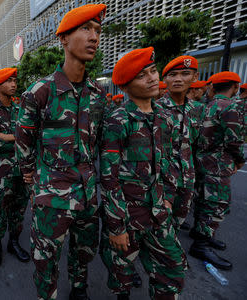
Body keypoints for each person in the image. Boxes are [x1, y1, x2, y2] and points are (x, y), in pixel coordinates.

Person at [16, 4, 107, 299]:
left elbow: (99, 142)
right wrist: (32, 179)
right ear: (63, 39)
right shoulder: (39, 92)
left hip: (87, 194)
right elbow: (24, 143)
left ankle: (79, 290)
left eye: (97, 30)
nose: (94, 37)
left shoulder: (97, 94)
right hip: (51, 198)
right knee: (46, 261)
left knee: (84, 254)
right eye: (85, 29)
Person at [100, 47, 186, 300]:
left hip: (159, 212)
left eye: (152, 71)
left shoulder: (164, 117)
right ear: (126, 86)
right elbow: (109, 176)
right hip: (128, 217)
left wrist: (169, 197)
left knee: (172, 273)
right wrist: (116, 227)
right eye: (141, 75)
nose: (151, 79)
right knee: (122, 276)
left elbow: (169, 161)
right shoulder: (118, 120)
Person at [190, 71, 245, 270]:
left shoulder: (207, 105)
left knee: (204, 200)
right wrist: (239, 160)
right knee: (214, 205)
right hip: (219, 164)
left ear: (213, 87)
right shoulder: (231, 107)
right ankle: (201, 244)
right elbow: (234, 140)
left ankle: (201, 234)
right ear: (235, 87)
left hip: (202, 161)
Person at [0, 68, 30, 269]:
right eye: (9, 81)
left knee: (19, 211)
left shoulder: (20, 107)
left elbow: (31, 136)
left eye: (15, 81)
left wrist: (7, 136)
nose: (13, 84)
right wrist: (18, 137)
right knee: (0, 210)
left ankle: (13, 243)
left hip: (23, 171)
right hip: (2, 173)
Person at [157, 56, 205, 230]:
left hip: (187, 178)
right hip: (161, 179)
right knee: (158, 227)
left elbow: (198, 144)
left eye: (185, 74)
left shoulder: (199, 110)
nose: (178, 79)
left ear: (195, 77)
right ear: (165, 80)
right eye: (172, 75)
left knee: (177, 224)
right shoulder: (154, 109)